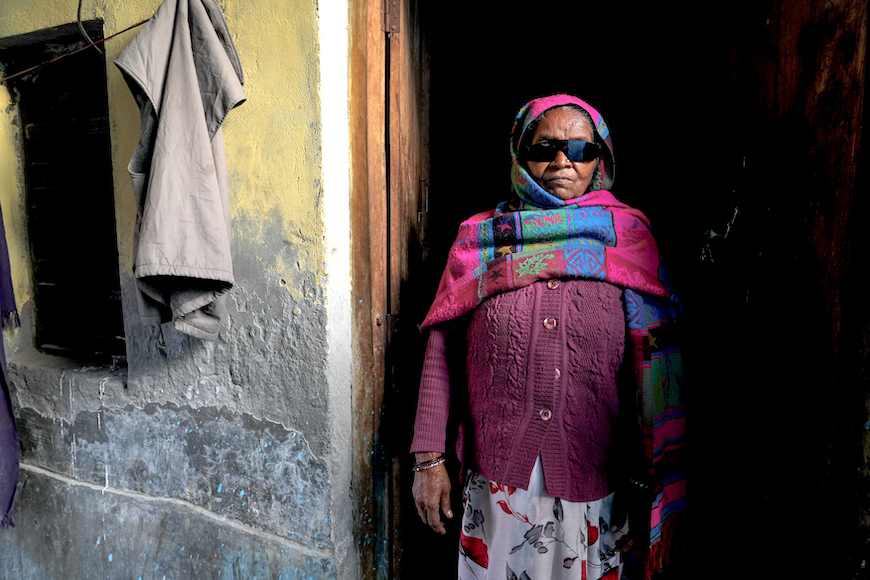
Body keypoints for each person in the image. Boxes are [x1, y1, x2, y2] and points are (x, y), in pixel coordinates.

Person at [410, 94, 685, 580]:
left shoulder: (630, 238)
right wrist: (427, 460)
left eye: (580, 150)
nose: (563, 161)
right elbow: (441, 352)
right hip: (497, 485)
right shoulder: (481, 237)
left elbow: (659, 358)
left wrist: (652, 474)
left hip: (598, 485)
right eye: (546, 148)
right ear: (521, 155)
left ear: (601, 160)